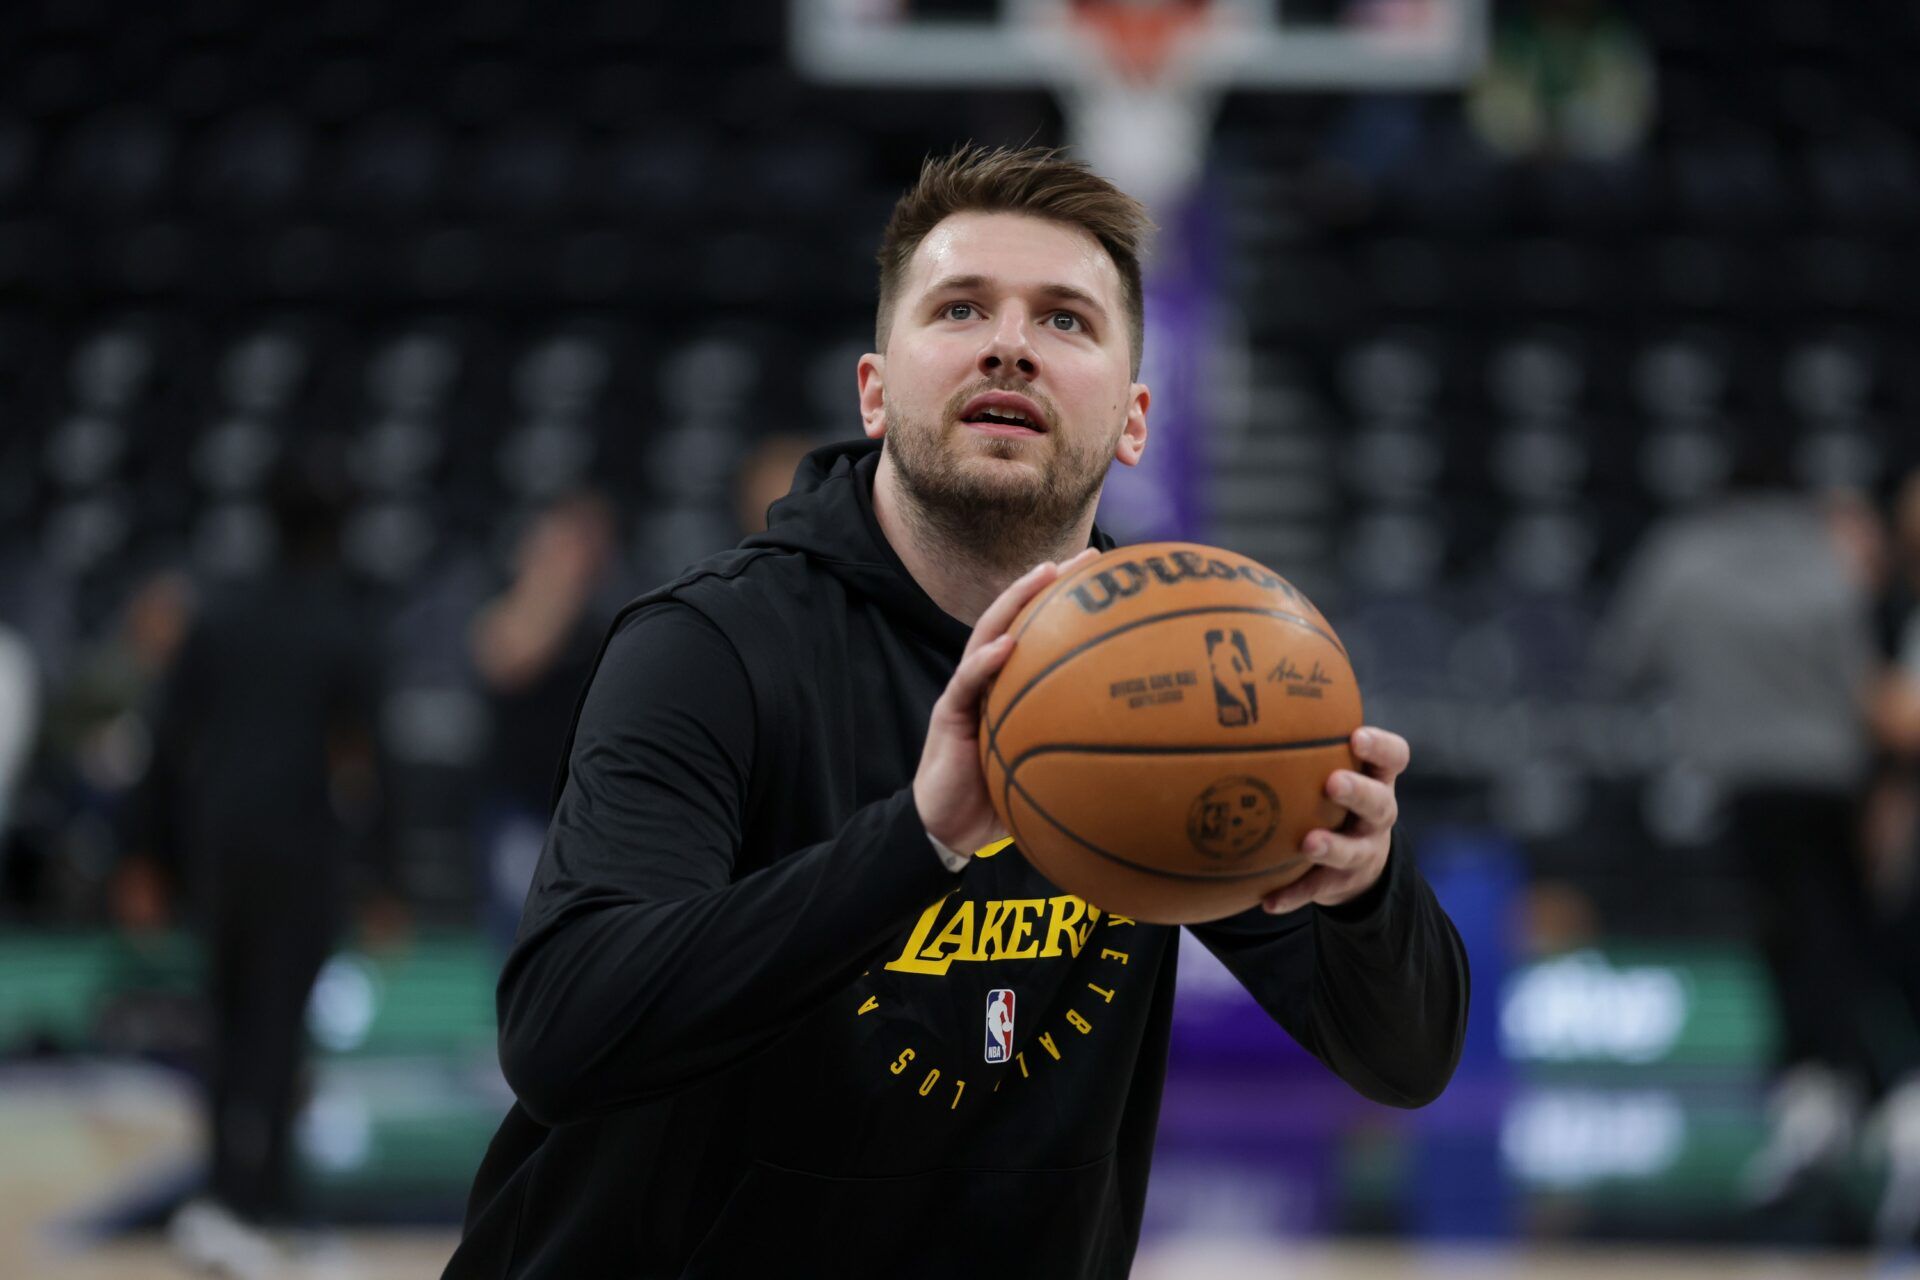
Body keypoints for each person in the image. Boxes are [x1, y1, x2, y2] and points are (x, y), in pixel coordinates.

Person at [444, 144, 1468, 1279]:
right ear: (877, 391)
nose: (1011, 342)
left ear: (1133, 420)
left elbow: (1405, 1058)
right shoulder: (712, 646)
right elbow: (562, 1032)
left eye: (1066, 320)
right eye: (962, 306)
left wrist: (1366, 894)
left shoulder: (1174, 681)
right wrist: (919, 838)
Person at [128, 444, 398, 1272]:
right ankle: (265, 1200)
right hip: (299, 848)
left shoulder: (222, 614)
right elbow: (368, 761)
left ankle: (223, 1194)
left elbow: (167, 747)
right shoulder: (347, 626)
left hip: (221, 845)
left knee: (228, 1017)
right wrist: (385, 876)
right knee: (279, 1029)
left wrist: (147, 856)